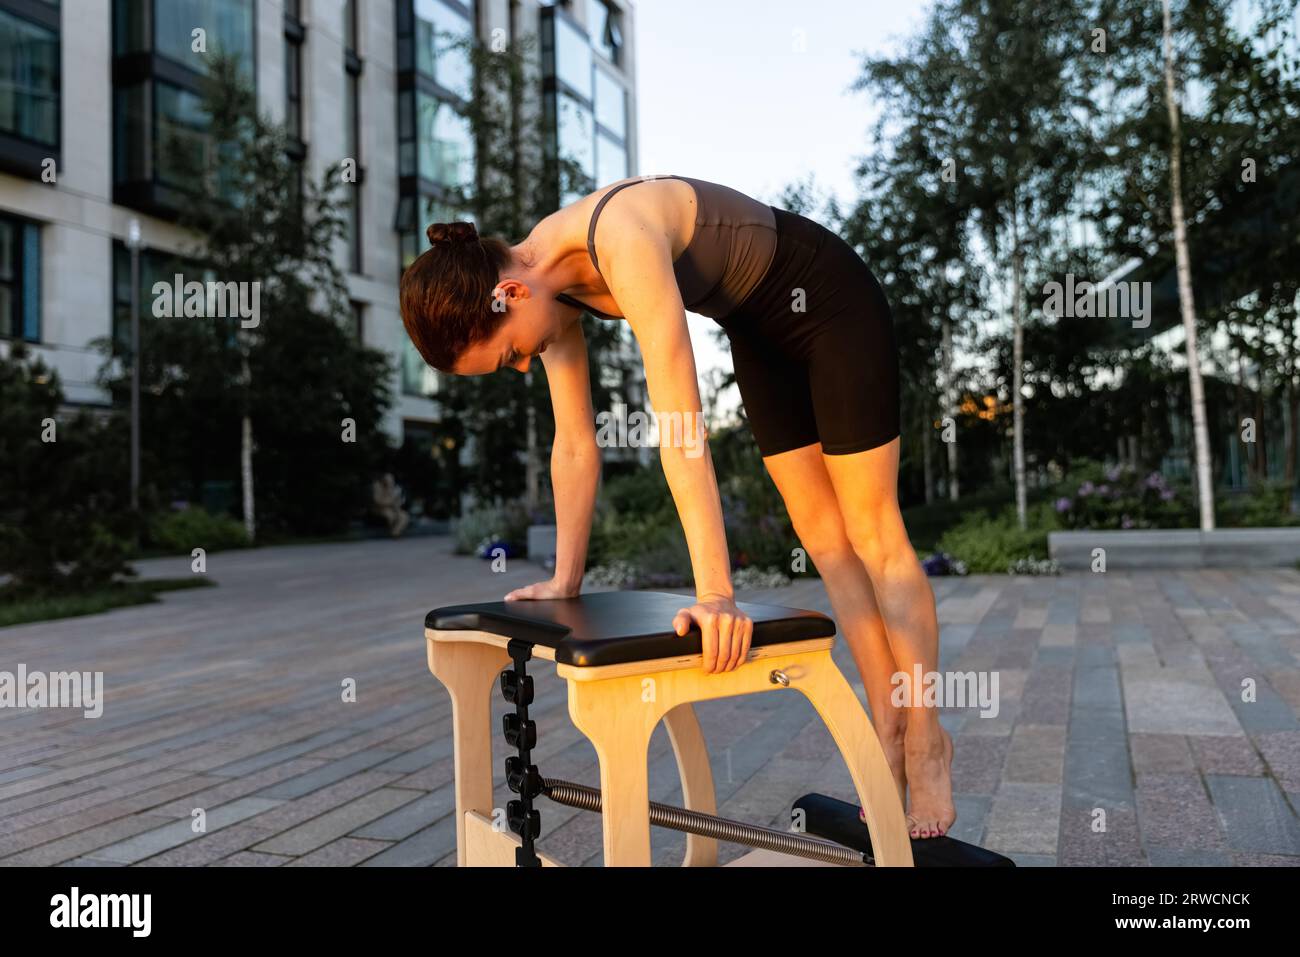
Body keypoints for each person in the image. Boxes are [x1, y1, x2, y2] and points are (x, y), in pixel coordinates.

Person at [399, 174, 954, 839]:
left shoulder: (621, 237)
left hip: (829, 299)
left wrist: (717, 593)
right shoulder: (551, 290)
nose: (522, 365)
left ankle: (925, 737)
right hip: (755, 332)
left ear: (510, 293)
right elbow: (575, 443)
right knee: (828, 544)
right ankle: (885, 733)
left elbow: (683, 429)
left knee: (872, 532)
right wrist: (564, 578)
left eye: (512, 352)